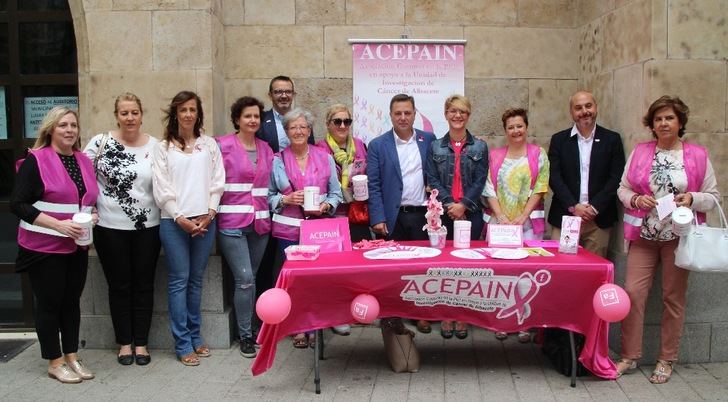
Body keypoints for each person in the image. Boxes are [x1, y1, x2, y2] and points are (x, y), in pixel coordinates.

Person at [615, 96, 720, 384]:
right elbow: (622, 190)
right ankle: (629, 355)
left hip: (679, 239)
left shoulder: (697, 155)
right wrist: (636, 198)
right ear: (652, 124)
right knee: (633, 293)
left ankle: (666, 359)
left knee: (673, 298)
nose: (663, 123)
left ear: (680, 122)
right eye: (659, 118)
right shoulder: (640, 152)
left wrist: (692, 198)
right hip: (644, 236)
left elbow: (714, 198)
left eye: (669, 118)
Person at [10, 106, 99, 383]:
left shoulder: (83, 160)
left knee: (71, 302)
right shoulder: (36, 159)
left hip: (77, 245)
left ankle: (72, 355)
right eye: (63, 125)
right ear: (51, 129)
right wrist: (58, 225)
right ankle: (54, 359)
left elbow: (87, 197)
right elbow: (18, 204)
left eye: (73, 125)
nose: (69, 130)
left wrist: (92, 215)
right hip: (43, 247)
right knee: (50, 303)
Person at [84, 93, 160, 366]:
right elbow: (82, 178)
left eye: (134, 112)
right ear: (116, 115)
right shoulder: (99, 143)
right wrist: (87, 209)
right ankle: (124, 343)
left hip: (148, 227)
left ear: (142, 115)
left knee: (143, 285)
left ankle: (141, 343)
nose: (130, 118)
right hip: (109, 226)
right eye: (124, 113)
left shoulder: (156, 146)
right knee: (119, 286)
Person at [152, 91, 225, 366]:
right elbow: (162, 186)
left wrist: (210, 212)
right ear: (175, 113)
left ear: (198, 113)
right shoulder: (163, 147)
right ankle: (182, 343)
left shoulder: (209, 145)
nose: (188, 114)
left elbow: (218, 180)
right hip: (174, 223)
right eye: (182, 109)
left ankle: (196, 336)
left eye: (192, 109)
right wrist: (179, 217)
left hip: (205, 220)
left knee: (196, 281)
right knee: (179, 280)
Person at [267, 107, 343, 348]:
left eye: (303, 127)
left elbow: (336, 193)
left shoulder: (325, 157)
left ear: (310, 131)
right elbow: (269, 196)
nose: (298, 131)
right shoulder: (277, 160)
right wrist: (285, 200)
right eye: (293, 127)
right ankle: (298, 327)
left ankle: (316, 325)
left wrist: (326, 206)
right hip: (289, 230)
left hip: (318, 231)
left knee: (317, 280)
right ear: (286, 131)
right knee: (294, 281)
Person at [367, 93, 435, 335]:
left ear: (415, 114)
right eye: (398, 113)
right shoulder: (377, 145)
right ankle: (393, 315)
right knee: (392, 270)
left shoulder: (428, 139)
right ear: (391, 116)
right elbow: (373, 184)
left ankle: (420, 314)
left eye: (407, 113)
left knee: (422, 269)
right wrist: (377, 218)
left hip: (422, 216)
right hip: (392, 217)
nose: (403, 117)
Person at [482, 108, 549, 343]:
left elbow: (541, 187)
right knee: (500, 272)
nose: (516, 131)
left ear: (526, 127)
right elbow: (488, 187)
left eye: (519, 126)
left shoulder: (538, 154)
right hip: (500, 224)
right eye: (511, 127)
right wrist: (500, 216)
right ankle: (502, 321)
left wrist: (522, 216)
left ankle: (523, 322)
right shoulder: (495, 155)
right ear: (505, 131)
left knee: (525, 273)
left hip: (527, 224)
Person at [426, 95, 488, 340]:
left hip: (470, 214)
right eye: (453, 111)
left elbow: (480, 180)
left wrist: (463, 205)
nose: (458, 115)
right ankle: (446, 314)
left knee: (468, 266)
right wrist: (449, 204)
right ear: (446, 114)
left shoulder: (480, 147)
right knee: (444, 266)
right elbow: (433, 179)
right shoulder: (435, 147)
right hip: (443, 215)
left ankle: (462, 315)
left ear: (469, 115)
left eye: (462, 111)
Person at [216, 97, 273, 358]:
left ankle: (251, 326)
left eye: (256, 117)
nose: (252, 120)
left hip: (260, 223)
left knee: (251, 278)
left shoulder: (266, 149)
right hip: (232, 223)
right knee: (245, 279)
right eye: (247, 116)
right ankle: (245, 335)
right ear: (237, 119)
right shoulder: (222, 146)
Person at [547, 91, 625, 257]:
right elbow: (554, 177)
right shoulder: (559, 140)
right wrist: (574, 206)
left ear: (596, 107)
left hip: (598, 218)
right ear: (572, 112)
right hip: (565, 216)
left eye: (588, 106)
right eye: (578, 108)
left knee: (593, 273)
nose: (584, 111)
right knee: (561, 270)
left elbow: (616, 177)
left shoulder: (612, 140)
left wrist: (594, 207)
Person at [315, 103, 369, 336]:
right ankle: (336, 314)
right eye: (337, 121)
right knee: (333, 269)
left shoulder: (360, 146)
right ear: (328, 124)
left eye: (346, 121)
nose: (342, 126)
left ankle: (359, 310)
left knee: (357, 266)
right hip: (332, 215)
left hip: (357, 214)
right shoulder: (319, 148)